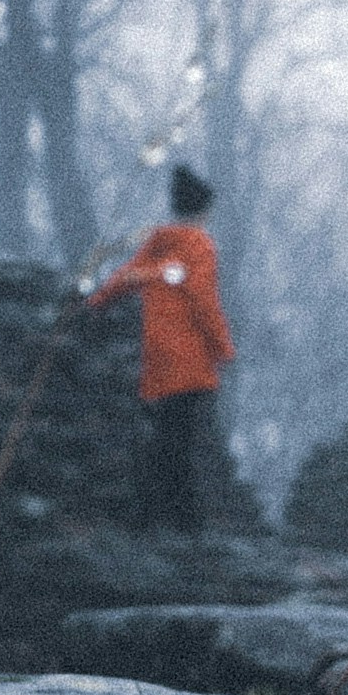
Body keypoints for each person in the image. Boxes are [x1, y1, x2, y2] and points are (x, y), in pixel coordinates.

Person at [84, 165, 235, 532]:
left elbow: (125, 276)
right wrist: (222, 348)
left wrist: (96, 302)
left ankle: (154, 515)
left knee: (166, 434)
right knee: (180, 439)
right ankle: (182, 521)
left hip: (158, 354)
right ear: (203, 210)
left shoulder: (158, 242)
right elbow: (203, 299)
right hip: (190, 357)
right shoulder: (199, 245)